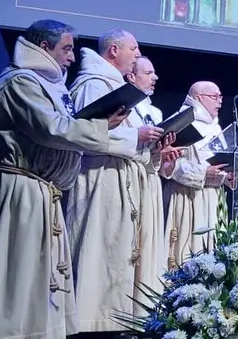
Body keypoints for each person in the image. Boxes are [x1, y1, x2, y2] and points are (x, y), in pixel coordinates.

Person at [0, 20, 129, 339]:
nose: (72, 57)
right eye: (67, 49)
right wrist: (103, 126)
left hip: (43, 191)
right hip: (21, 191)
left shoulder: (48, 85)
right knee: (17, 276)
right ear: (44, 48)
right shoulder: (20, 83)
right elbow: (51, 128)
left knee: (41, 280)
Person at [66, 29, 164, 333]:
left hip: (120, 180)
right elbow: (81, 132)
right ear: (112, 50)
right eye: (133, 49)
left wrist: (153, 147)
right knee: (98, 255)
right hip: (98, 181)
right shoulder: (93, 85)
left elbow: (126, 140)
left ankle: (113, 323)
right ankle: (90, 324)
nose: (137, 54)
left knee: (115, 259)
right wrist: (138, 136)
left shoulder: (117, 87)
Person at [122, 56, 179, 314]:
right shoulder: (123, 106)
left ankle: (144, 310)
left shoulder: (154, 112)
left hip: (150, 182)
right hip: (130, 179)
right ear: (131, 77)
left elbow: (152, 158)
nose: (155, 78)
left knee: (148, 248)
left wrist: (161, 152)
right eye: (148, 73)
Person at [161, 81, 235, 268]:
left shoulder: (216, 127)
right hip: (187, 196)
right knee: (187, 250)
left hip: (213, 198)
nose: (220, 101)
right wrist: (203, 172)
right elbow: (169, 163)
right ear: (198, 97)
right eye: (215, 97)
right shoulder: (181, 121)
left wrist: (226, 176)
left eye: (220, 97)